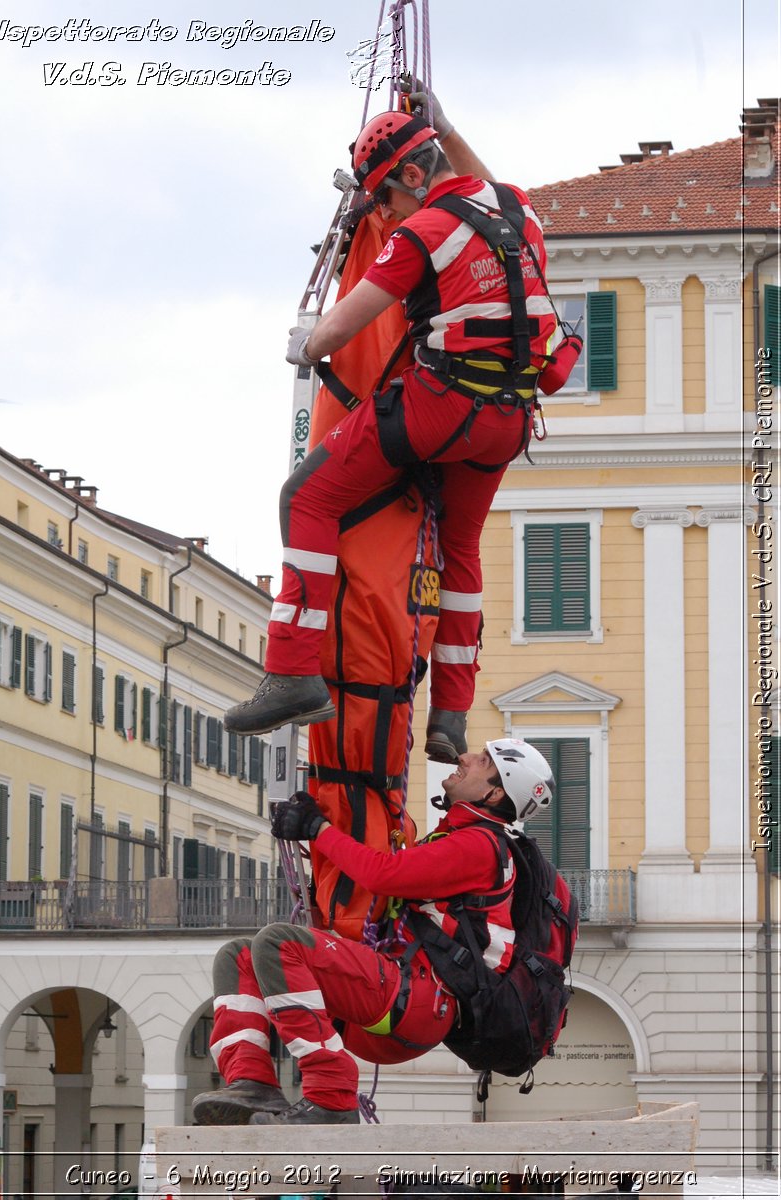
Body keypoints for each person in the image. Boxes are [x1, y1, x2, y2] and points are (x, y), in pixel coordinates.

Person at [225, 89, 581, 762]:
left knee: (307, 497)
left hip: (438, 409)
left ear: (413, 176)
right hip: (509, 420)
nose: (382, 213)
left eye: (383, 197)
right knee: (463, 552)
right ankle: (450, 713)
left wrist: (303, 345)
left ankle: (293, 669)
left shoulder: (423, 233)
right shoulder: (518, 210)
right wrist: (445, 122)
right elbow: (479, 175)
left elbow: (342, 328)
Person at [191, 738, 554, 1126]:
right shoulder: (458, 837)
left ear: (495, 791)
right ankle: (251, 1080)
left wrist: (318, 828)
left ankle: (332, 1097)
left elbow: (384, 875)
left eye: (482, 761)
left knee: (279, 943)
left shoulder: (479, 844)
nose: (465, 758)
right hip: (401, 994)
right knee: (238, 956)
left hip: (418, 999)